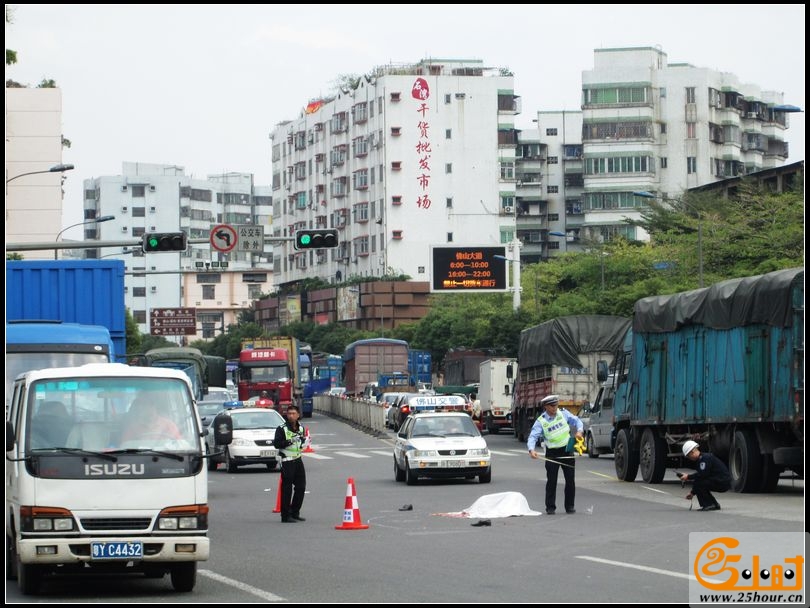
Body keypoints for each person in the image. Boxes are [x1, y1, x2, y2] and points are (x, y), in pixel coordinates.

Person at [526, 394, 584, 514]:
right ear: (546, 406)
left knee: (570, 480)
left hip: (567, 450)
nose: (555, 408)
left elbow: (577, 421)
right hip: (552, 453)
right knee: (552, 481)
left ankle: (570, 506)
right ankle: (550, 507)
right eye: (552, 406)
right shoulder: (541, 421)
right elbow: (533, 436)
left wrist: (579, 431)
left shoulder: (563, 413)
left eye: (556, 405)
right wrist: (531, 450)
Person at [273, 404, 308, 522]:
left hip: (298, 459)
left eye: (293, 414)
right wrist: (289, 441)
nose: (291, 416)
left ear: (298, 415)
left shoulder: (301, 428)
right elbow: (277, 443)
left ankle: (295, 512)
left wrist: (304, 442)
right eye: (289, 414)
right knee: (287, 489)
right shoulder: (282, 428)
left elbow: (301, 442)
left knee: (301, 487)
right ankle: (285, 515)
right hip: (287, 461)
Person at [677, 440, 731, 511]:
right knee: (700, 482)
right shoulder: (702, 459)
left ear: (692, 452)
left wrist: (688, 477)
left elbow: (702, 475)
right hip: (721, 480)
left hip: (722, 482)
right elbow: (700, 477)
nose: (689, 458)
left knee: (700, 483)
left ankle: (708, 504)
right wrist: (692, 493)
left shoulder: (705, 458)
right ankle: (714, 504)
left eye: (688, 456)